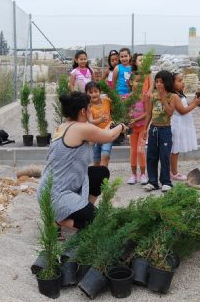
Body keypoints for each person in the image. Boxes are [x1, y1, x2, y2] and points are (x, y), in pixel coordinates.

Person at [38, 91, 125, 230]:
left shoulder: (64, 126)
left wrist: (109, 127)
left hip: (50, 189)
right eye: (89, 107)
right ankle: (57, 221)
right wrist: (121, 126)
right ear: (83, 111)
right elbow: (109, 137)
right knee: (95, 222)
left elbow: (98, 136)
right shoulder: (81, 128)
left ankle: (83, 207)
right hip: (57, 194)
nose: (91, 110)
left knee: (100, 173)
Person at [142, 70, 176, 192]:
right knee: (151, 156)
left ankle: (166, 182)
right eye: (156, 82)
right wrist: (145, 128)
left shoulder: (173, 96)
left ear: (167, 83)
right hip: (154, 129)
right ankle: (152, 181)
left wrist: (163, 98)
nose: (158, 84)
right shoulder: (153, 96)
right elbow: (149, 113)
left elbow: (170, 112)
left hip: (165, 130)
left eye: (161, 82)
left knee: (164, 156)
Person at [170, 72, 200, 181]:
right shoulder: (174, 95)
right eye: (179, 81)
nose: (182, 82)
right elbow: (182, 111)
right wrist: (195, 104)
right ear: (171, 83)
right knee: (174, 149)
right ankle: (173, 172)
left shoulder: (179, 94)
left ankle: (172, 171)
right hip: (176, 125)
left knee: (175, 149)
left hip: (181, 124)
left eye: (182, 80)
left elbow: (185, 106)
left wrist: (194, 101)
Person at [126, 53, 152, 185]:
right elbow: (125, 112)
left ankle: (143, 174)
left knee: (141, 150)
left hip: (142, 127)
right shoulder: (128, 98)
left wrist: (141, 123)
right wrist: (128, 120)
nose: (139, 83)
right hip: (132, 129)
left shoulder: (145, 97)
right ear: (131, 82)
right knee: (133, 151)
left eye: (141, 81)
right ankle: (133, 175)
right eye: (136, 81)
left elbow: (148, 113)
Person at [86, 81, 114, 167]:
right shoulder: (89, 107)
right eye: (90, 92)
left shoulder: (107, 101)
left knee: (105, 156)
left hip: (107, 134)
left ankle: (104, 180)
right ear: (86, 94)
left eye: (96, 91)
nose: (94, 94)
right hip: (95, 136)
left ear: (100, 92)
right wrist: (100, 120)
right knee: (96, 161)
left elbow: (115, 109)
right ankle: (97, 179)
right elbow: (90, 121)